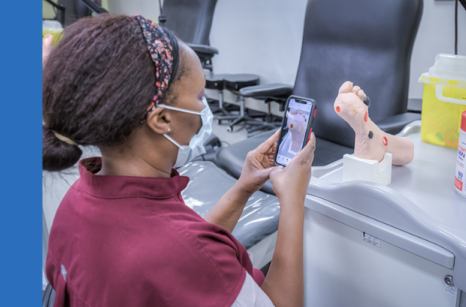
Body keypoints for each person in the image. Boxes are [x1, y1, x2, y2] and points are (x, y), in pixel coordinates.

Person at [43, 14, 315, 307]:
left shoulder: (73, 203)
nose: (204, 108)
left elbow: (189, 248)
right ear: (162, 119)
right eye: (200, 96)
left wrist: (243, 187)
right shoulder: (180, 252)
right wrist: (292, 200)